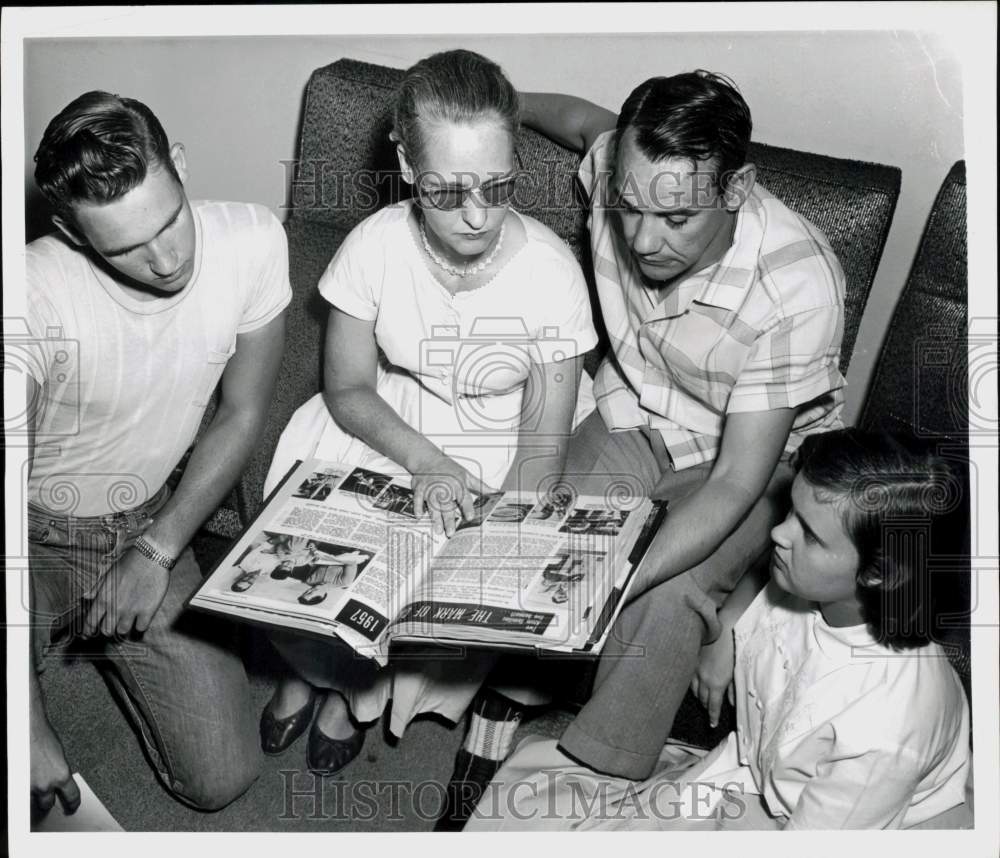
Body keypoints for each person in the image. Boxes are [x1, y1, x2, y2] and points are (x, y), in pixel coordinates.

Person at [259, 50, 598, 784]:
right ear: (407, 167)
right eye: (446, 192)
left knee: (427, 570)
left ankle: (352, 697)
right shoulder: (374, 244)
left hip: (500, 434)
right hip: (392, 413)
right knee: (315, 549)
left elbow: (541, 457)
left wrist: (487, 521)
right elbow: (349, 388)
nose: (477, 215)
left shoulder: (552, 276)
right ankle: (307, 668)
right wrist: (428, 463)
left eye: (498, 186)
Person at [501, 70, 847, 788]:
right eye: (627, 208)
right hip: (636, 408)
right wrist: (504, 101)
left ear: (738, 189)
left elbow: (733, 484)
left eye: (676, 219)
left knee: (665, 594)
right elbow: (575, 118)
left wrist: (615, 577)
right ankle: (501, 710)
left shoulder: (799, 282)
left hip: (751, 456)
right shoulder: (623, 165)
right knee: (536, 536)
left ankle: (595, 780)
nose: (642, 239)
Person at [468, 428, 971, 830]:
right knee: (524, 804)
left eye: (810, 535)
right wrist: (731, 625)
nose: (777, 532)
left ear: (880, 572)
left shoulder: (887, 728)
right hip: (749, 777)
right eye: (791, 511)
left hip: (810, 825)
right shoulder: (822, 588)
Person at [25, 91, 290, 817]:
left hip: (145, 516)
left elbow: (241, 412)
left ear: (178, 163)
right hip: (28, 532)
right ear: (74, 237)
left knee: (222, 777)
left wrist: (157, 549)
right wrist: (30, 728)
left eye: (170, 219)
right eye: (125, 248)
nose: (169, 258)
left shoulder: (255, 240)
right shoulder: (29, 292)